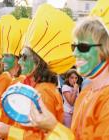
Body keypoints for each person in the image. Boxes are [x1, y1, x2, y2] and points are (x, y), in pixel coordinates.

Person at [0, 4, 75, 139]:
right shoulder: (39, 88)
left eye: (24, 57)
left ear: (38, 62)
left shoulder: (44, 93)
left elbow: (42, 137)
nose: (21, 62)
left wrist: (9, 132)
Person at [29, 1, 109, 139]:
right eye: (74, 47)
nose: (75, 54)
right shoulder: (84, 94)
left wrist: (53, 127)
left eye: (83, 47)